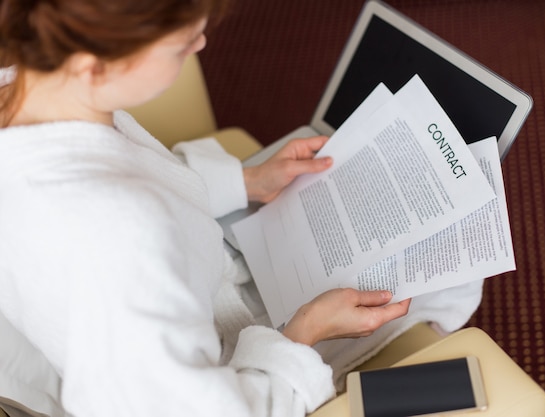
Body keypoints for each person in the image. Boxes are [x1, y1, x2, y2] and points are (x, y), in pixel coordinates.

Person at [0, 1, 483, 416]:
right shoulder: (116, 237)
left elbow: (136, 171)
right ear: (93, 65)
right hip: (210, 373)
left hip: (147, 311)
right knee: (447, 278)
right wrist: (304, 332)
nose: (201, 46)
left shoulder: (27, 85)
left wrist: (246, 181)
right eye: (180, 44)